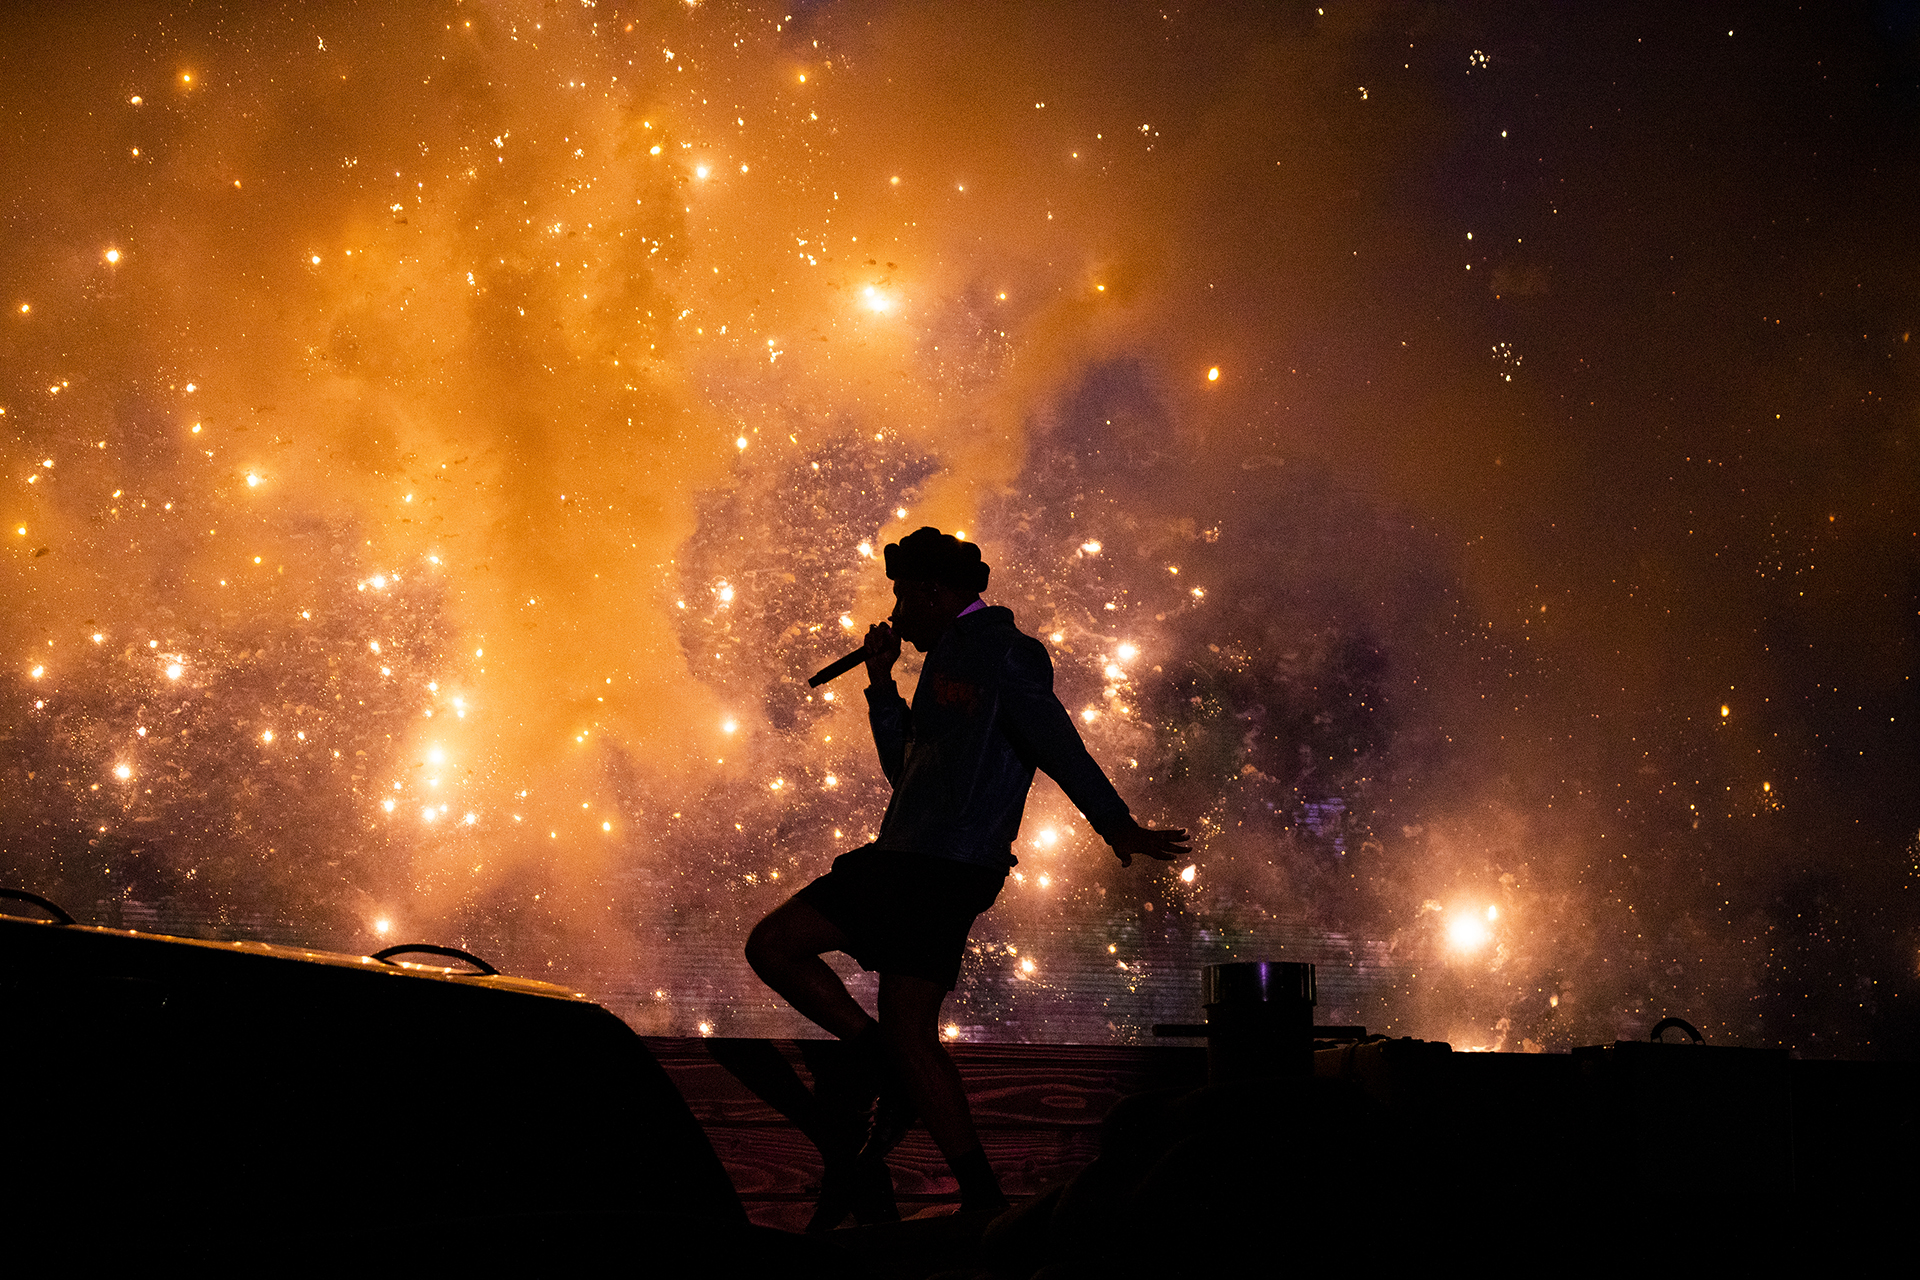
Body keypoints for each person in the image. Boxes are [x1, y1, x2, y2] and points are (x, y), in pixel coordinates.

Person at [745, 527, 1188, 1221]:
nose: (894, 611)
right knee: (886, 1014)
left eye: (902, 595)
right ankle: (972, 1184)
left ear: (933, 592)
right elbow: (905, 774)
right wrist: (882, 686)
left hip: (943, 865)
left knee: (792, 956)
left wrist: (1116, 824)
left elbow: (1056, 742)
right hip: (912, 856)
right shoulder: (944, 656)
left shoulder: (1005, 653)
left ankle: (898, 1089)